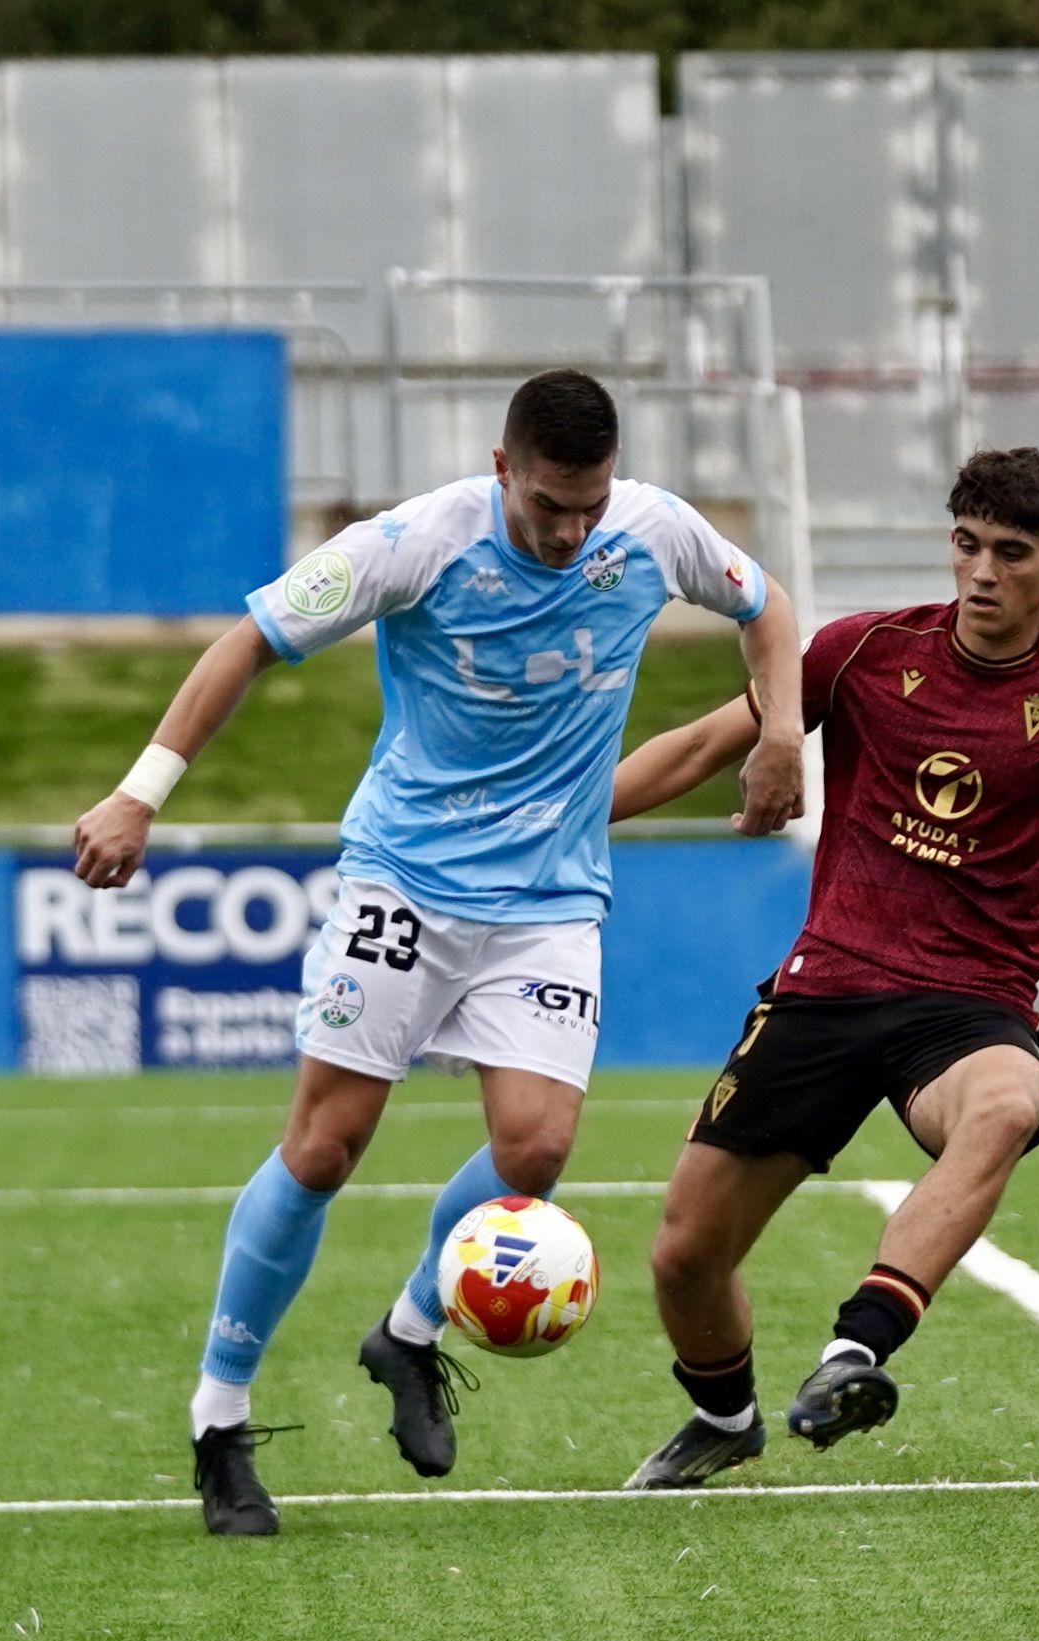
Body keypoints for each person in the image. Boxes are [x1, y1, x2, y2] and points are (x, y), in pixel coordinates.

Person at [70, 368, 806, 1536]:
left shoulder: (653, 530)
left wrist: (780, 732)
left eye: (590, 506)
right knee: (324, 1147)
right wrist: (138, 794)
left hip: (551, 896)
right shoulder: (415, 542)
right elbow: (247, 641)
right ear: (504, 468)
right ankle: (221, 1418)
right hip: (404, 882)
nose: (570, 533)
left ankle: (408, 1330)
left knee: (536, 1148)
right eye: (549, 506)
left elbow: (767, 608)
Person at [601, 447, 1039, 1489]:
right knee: (685, 1256)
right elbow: (699, 746)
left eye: (1012, 553)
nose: (983, 572)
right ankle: (725, 1415)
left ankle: (853, 1352)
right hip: (825, 986)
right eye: (968, 544)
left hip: (969, 1008)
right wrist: (552, 822)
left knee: (1007, 1104)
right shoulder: (860, 651)